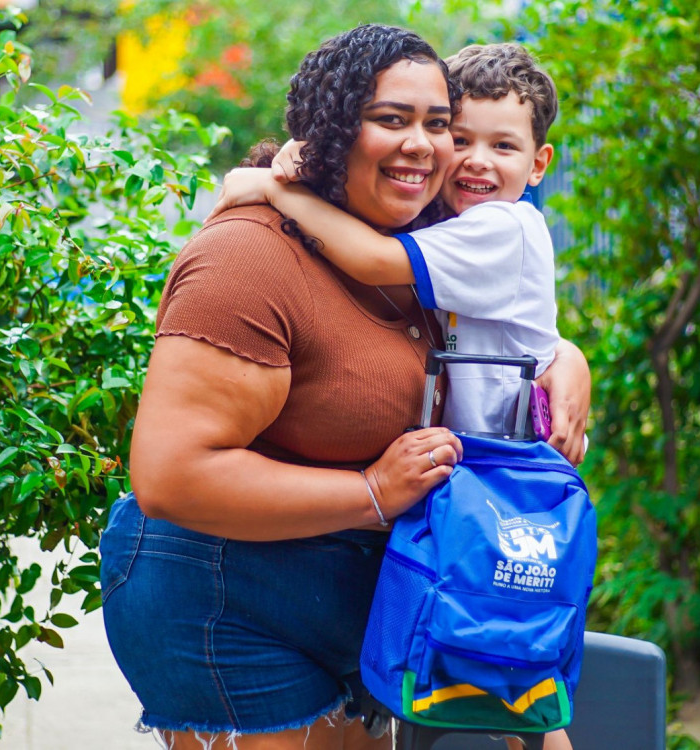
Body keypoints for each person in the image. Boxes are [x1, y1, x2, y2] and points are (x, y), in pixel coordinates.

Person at [98, 24, 591, 750]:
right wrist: (371, 493)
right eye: (392, 119)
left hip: (351, 591)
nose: (425, 145)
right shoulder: (249, 258)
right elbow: (174, 476)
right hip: (227, 594)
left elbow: (501, 327)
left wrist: (563, 358)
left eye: (437, 124)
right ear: (333, 130)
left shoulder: (423, 233)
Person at [211, 43, 561, 440]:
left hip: (503, 455)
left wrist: (278, 191)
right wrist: (313, 153)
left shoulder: (502, 227)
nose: (477, 160)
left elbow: (374, 259)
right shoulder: (446, 217)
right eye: (460, 140)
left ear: (537, 165)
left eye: (503, 146)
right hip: (474, 450)